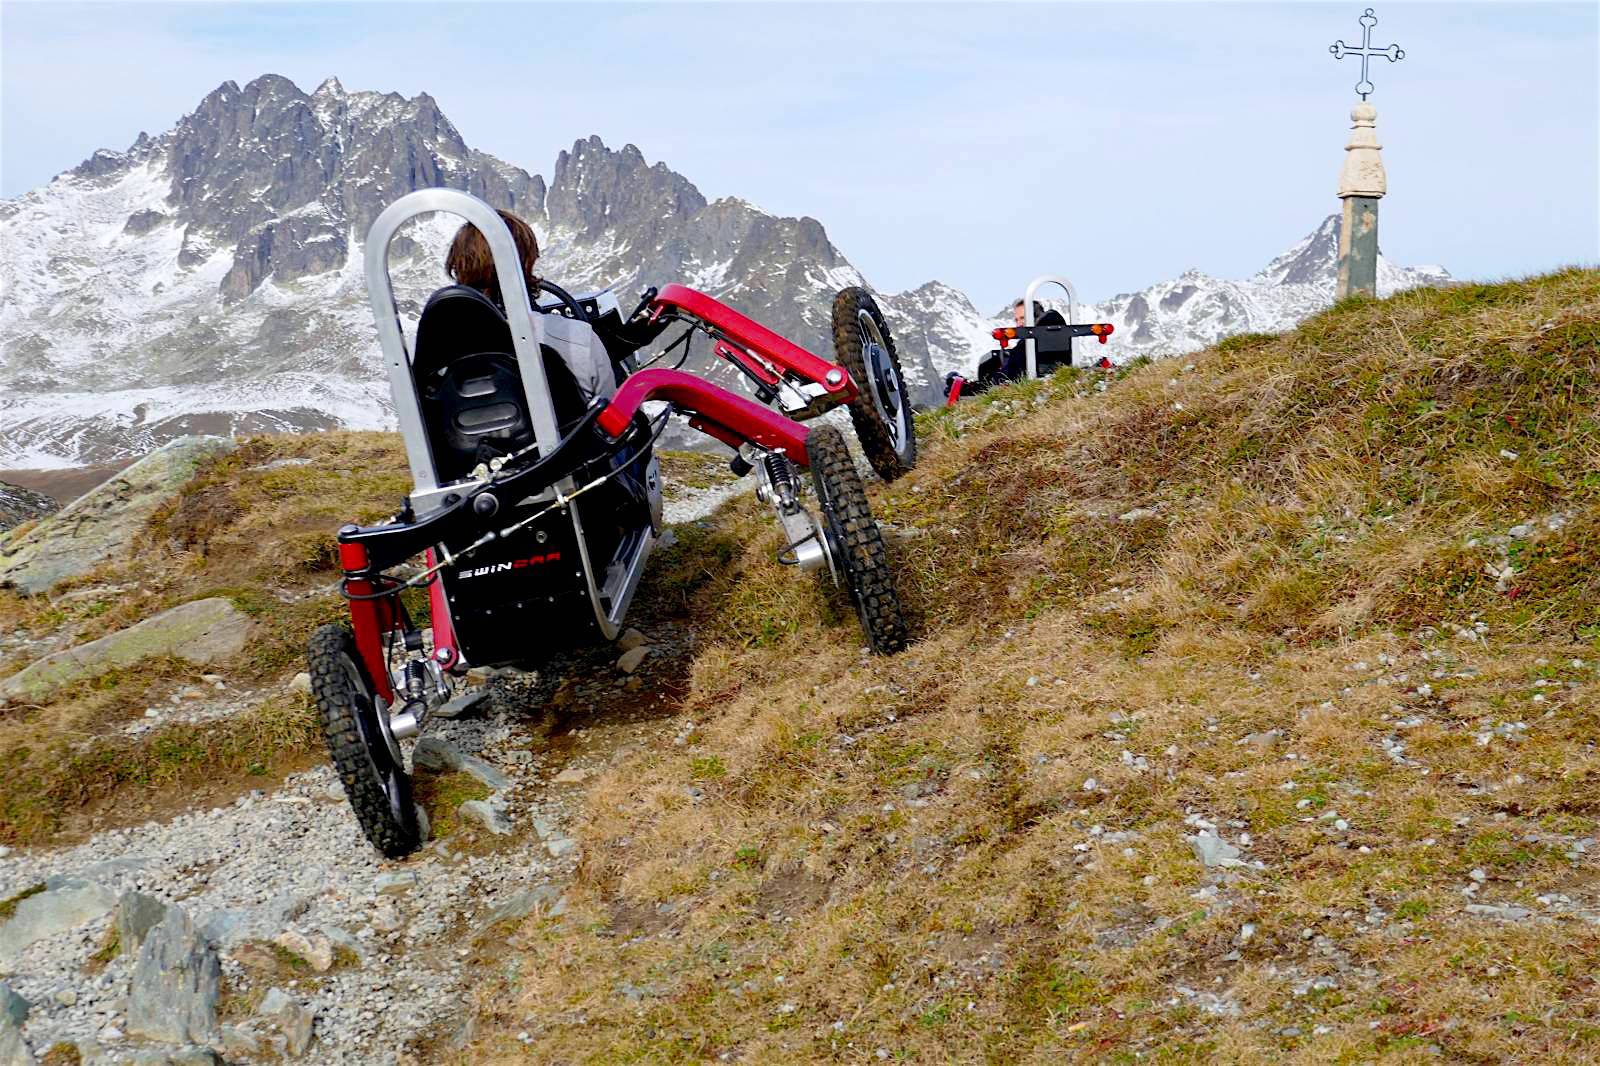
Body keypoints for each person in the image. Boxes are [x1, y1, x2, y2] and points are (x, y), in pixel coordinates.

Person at [444, 210, 617, 404]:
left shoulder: (437, 353)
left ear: (458, 267)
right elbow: (613, 423)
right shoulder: (578, 338)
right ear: (526, 264)